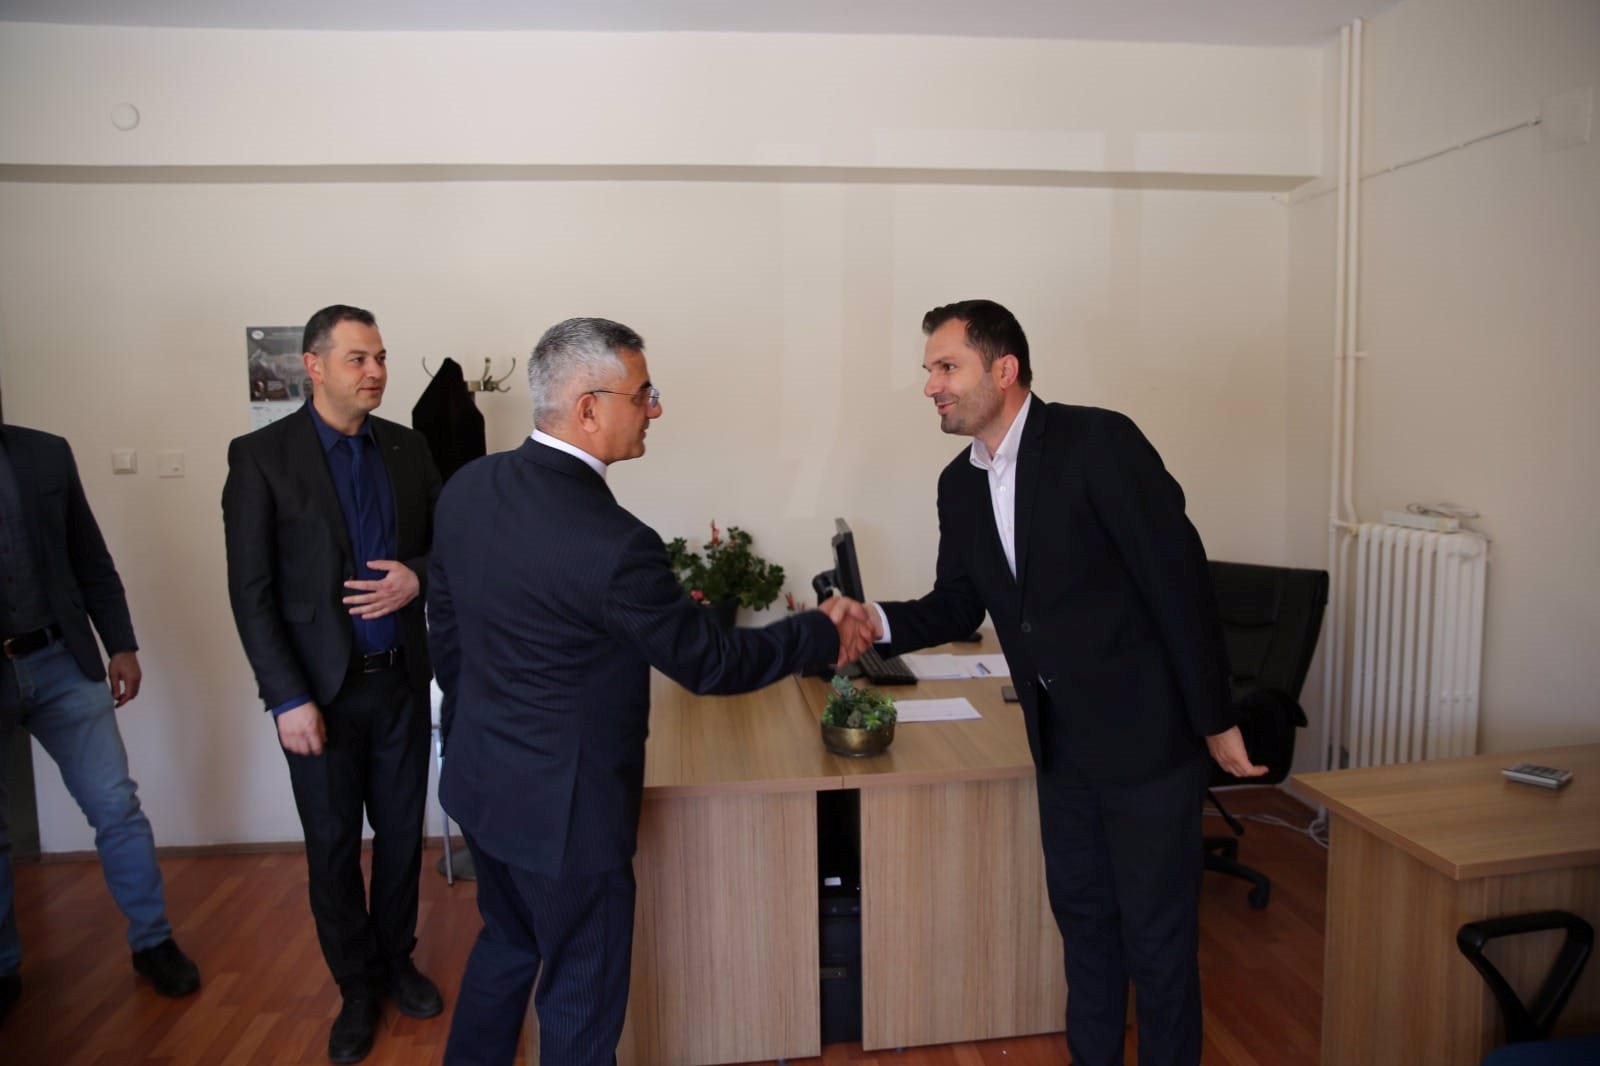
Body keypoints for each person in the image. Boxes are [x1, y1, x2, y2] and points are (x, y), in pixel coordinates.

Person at [430, 317, 872, 1066]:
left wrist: (485, 720)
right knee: (578, 998)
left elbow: (448, 632)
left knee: (506, 944)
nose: (655, 409)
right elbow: (709, 663)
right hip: (567, 819)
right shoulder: (612, 542)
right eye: (643, 394)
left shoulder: (469, 488)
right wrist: (819, 635)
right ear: (589, 407)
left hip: (480, 786)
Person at [861, 299, 1264, 1066]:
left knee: (1159, 945)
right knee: (1085, 931)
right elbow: (957, 605)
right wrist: (870, 621)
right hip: (1061, 746)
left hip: (1147, 745)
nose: (931, 386)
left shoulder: (1098, 443)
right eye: (929, 370)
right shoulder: (959, 484)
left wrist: (1216, 718)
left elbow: (1177, 582)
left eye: (946, 367)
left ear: (1003, 369)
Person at [222, 305, 443, 1064]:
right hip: (319, 696)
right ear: (313, 366)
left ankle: (398, 960)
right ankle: (356, 987)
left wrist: (417, 576)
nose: (376, 371)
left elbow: (450, 545)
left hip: (401, 682)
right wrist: (286, 698)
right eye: (358, 358)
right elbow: (251, 592)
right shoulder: (261, 457)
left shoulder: (409, 449)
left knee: (404, 839)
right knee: (332, 847)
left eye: (380, 357)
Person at [0, 420, 200, 1025]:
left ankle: (153, 942)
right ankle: (3, 967)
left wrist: (121, 644)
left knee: (116, 806)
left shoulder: (44, 452)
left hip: (61, 659)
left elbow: (88, 556)